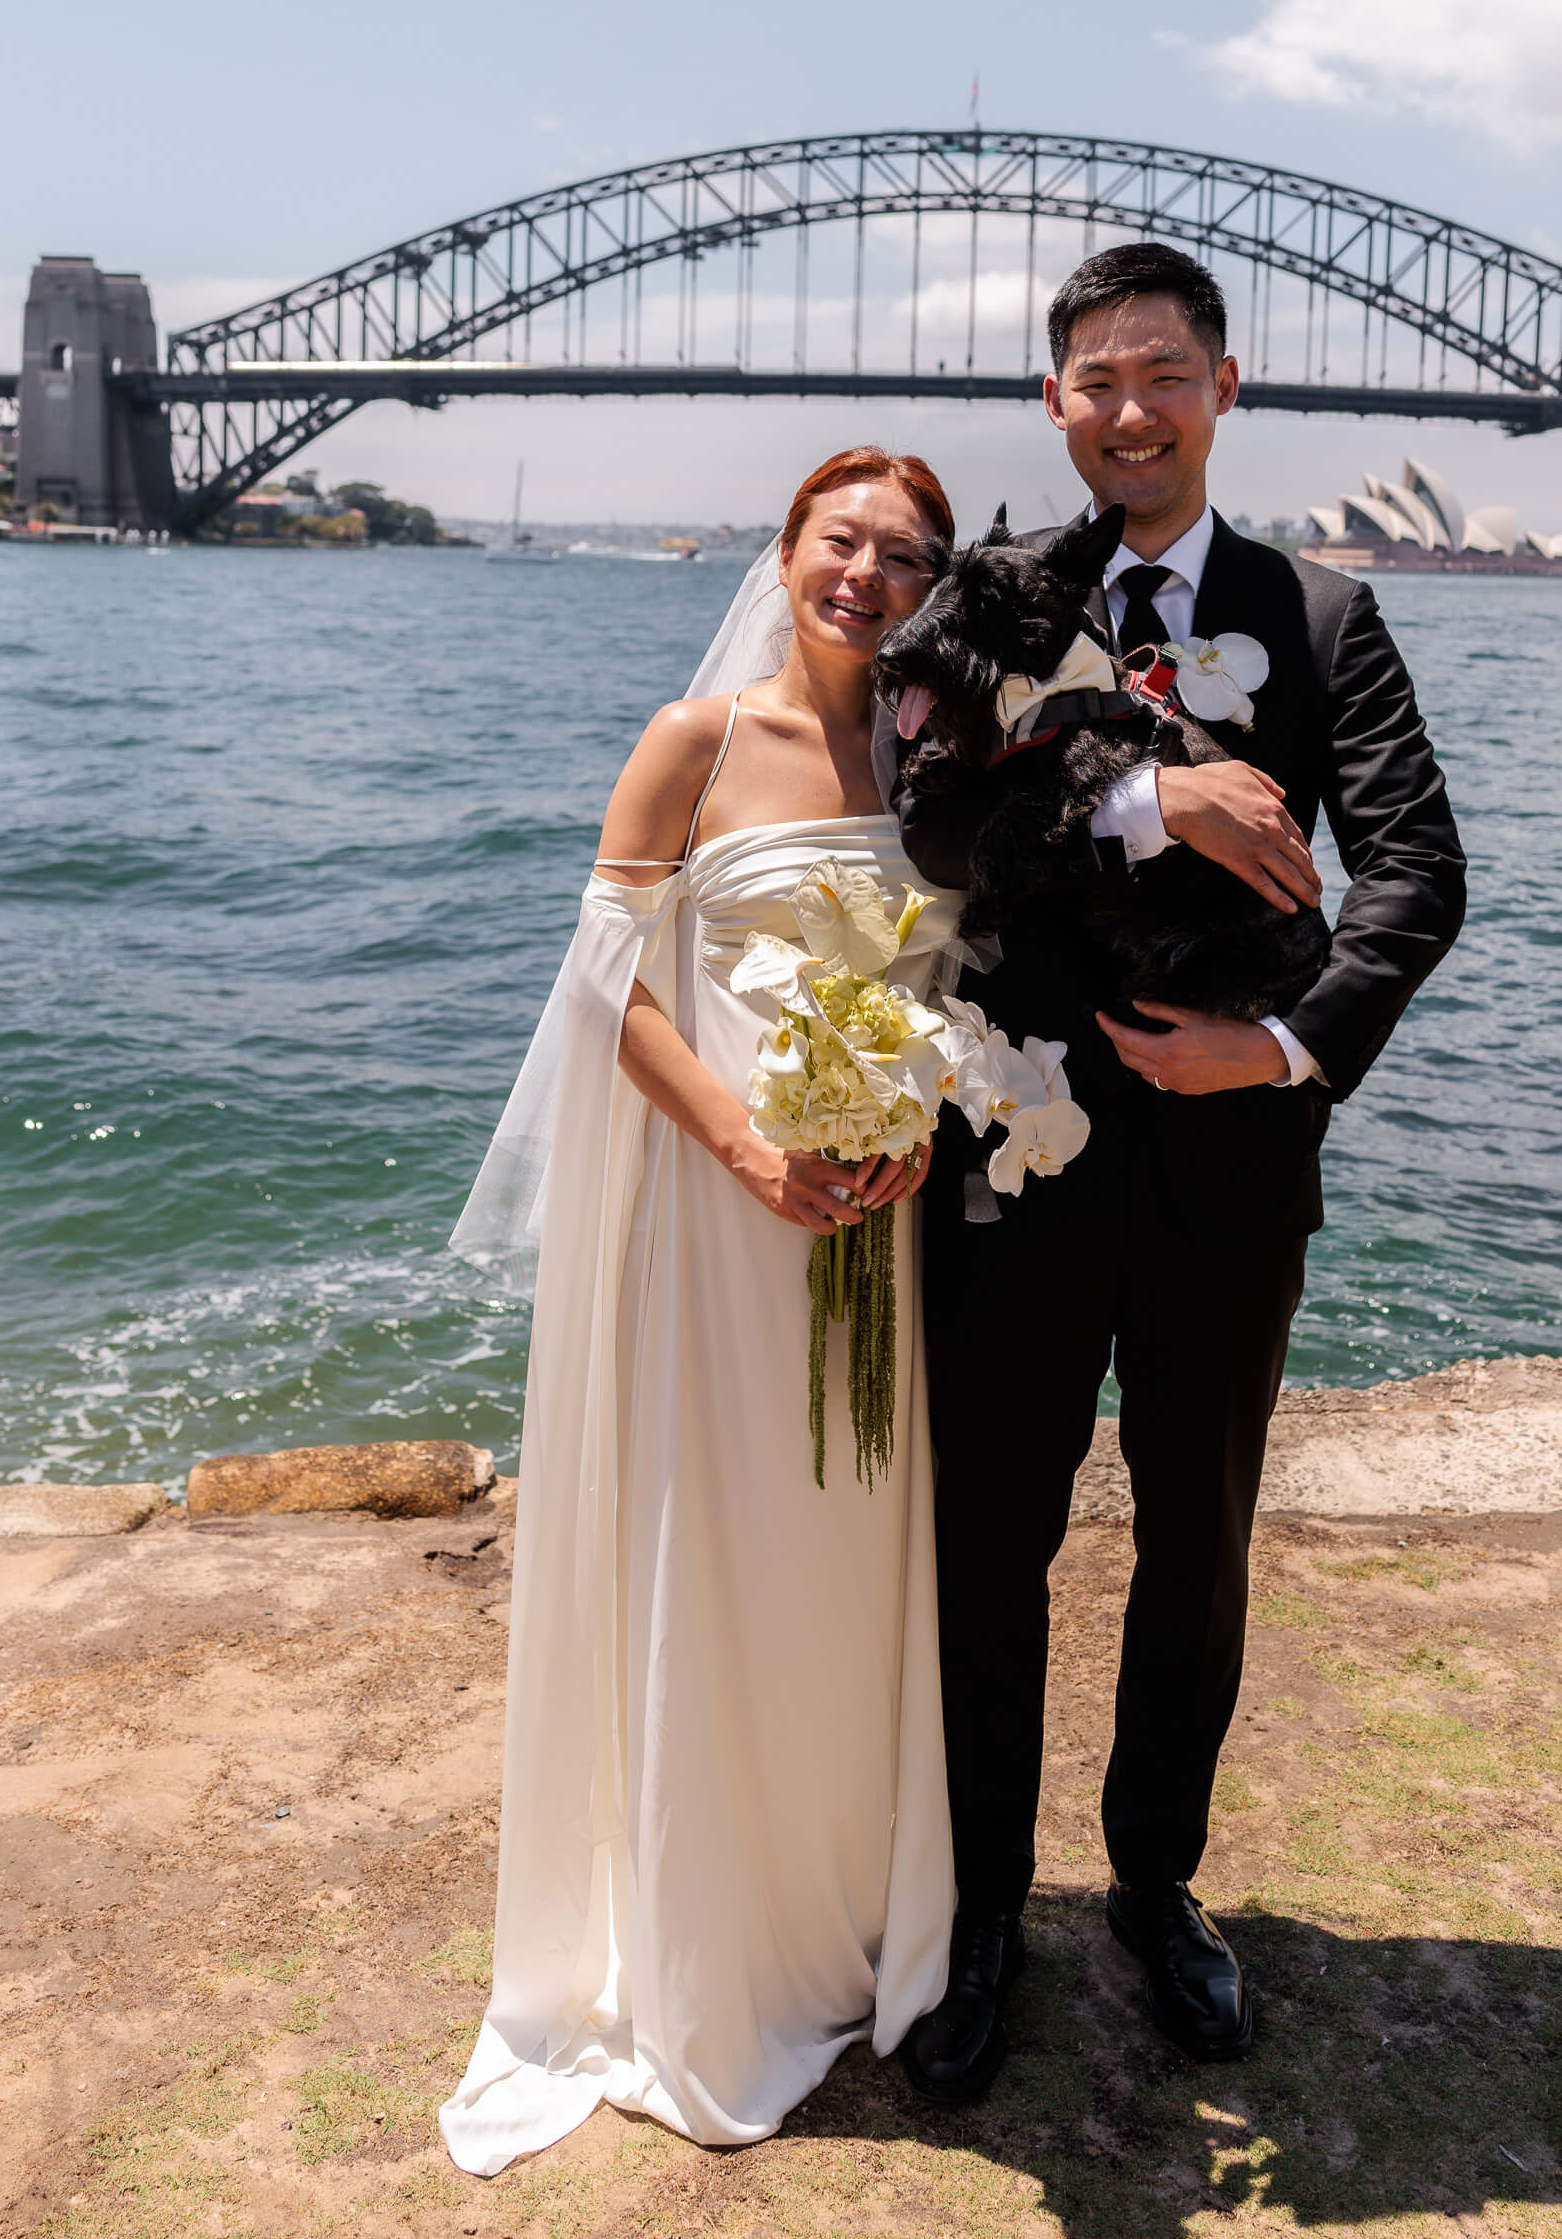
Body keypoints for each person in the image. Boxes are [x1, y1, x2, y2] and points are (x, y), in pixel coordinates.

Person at [892, 241, 1468, 2100]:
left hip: (1229, 1172)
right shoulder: (985, 597)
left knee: (1195, 1547)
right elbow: (931, 819)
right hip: (1014, 1162)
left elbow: (1414, 874)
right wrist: (1152, 792)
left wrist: (1281, 1050)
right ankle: (983, 1912)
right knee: (987, 1541)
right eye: (1093, 380)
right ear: (1051, 407)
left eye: (1163, 373)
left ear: (1225, 387)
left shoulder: (1317, 615)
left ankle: (1153, 1886)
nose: (1128, 408)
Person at [439, 447, 964, 2170]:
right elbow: (605, 972)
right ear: (788, 551)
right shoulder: (700, 740)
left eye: (900, 557)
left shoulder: (934, 747)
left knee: (842, 1553)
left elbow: (953, 976)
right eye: (840, 545)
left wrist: (914, 1115)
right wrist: (747, 1144)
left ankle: (831, 1915)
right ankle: (701, 1943)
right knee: (715, 1545)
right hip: (722, 1206)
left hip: (866, 1213)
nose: (864, 580)